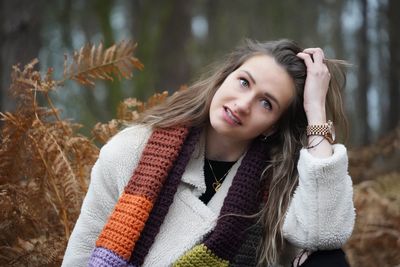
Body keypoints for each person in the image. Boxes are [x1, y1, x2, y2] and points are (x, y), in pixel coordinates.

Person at [62, 39, 355, 267]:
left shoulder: (276, 179)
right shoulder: (131, 152)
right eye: (243, 82)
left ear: (273, 128)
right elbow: (81, 255)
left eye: (266, 103)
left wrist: (316, 113)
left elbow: (324, 234)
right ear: (224, 78)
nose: (242, 104)